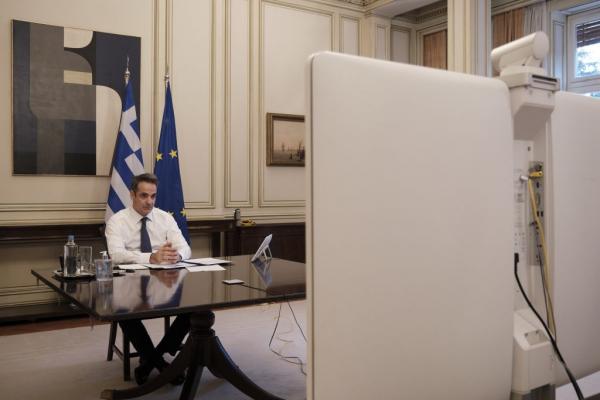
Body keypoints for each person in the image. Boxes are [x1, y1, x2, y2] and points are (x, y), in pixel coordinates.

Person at [105, 172, 191, 385]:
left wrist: (177, 256)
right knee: (124, 312)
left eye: (153, 196)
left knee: (197, 308)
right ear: (132, 194)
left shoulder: (165, 218)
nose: (149, 201)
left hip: (164, 282)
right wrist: (151, 257)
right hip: (129, 285)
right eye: (144, 195)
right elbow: (115, 255)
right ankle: (161, 365)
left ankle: (151, 360)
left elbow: (185, 248)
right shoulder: (117, 221)